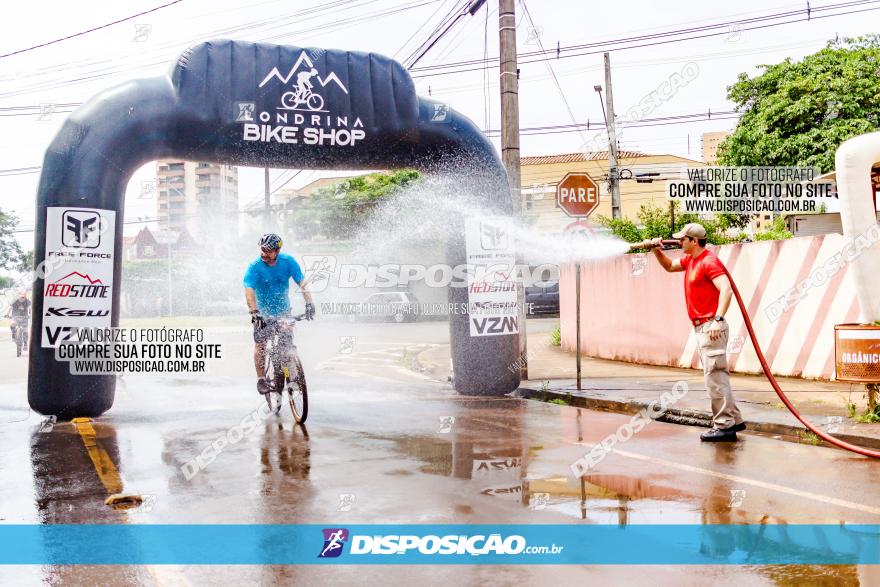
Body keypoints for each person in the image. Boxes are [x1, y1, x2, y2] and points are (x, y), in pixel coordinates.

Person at [647, 223, 746, 442]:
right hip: (702, 327)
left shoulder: (708, 261)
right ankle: (734, 420)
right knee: (718, 377)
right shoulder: (690, 260)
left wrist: (718, 320)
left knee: (715, 379)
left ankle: (723, 426)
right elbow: (670, 266)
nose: (680, 242)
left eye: (683, 239)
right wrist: (656, 250)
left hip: (711, 328)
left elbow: (726, 289)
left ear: (694, 241)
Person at [243, 233, 315, 395]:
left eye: (268, 250)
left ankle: (292, 376)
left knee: (287, 346)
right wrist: (254, 313)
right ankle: (261, 379)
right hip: (262, 314)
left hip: (283, 311)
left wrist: (309, 303)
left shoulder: (287, 262)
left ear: (277, 250)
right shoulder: (254, 267)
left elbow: (302, 282)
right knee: (261, 345)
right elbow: (249, 291)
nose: (263, 253)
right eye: (262, 249)